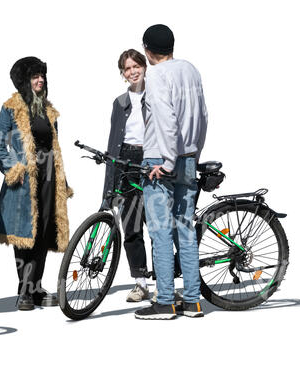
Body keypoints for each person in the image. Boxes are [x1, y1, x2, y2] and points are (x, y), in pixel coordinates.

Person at [134, 25, 208, 319]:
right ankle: (192, 301)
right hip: (189, 157)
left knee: (161, 232)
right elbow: (203, 115)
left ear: (147, 50)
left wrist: (166, 162)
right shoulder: (190, 70)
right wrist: (193, 153)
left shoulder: (157, 76)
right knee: (185, 230)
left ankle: (164, 301)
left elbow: (166, 120)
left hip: (159, 160)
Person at [0, 56, 73, 311]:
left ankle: (36, 288)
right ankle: (24, 291)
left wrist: (63, 180)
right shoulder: (10, 107)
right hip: (23, 182)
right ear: (24, 80)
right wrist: (14, 168)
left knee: (44, 233)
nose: (40, 80)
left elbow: (54, 146)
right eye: (35, 76)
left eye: (42, 75)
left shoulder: (48, 110)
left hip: (48, 177)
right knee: (23, 235)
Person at [101, 49, 151, 303]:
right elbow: (113, 142)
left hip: (152, 160)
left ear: (144, 66)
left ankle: (167, 282)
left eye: (136, 66)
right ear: (122, 73)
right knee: (131, 225)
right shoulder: (120, 103)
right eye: (127, 68)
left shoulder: (156, 95)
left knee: (158, 224)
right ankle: (140, 283)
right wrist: (108, 186)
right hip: (127, 160)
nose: (132, 72)